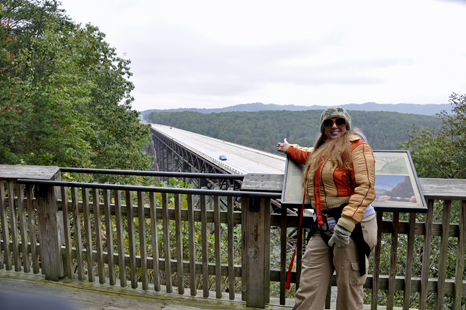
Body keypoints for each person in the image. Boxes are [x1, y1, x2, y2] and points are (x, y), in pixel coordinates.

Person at [277, 106, 377, 310]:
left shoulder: (358, 147)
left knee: (349, 292)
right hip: (322, 228)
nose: (334, 126)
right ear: (323, 127)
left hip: (352, 227)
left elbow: (366, 188)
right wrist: (288, 148)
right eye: (328, 122)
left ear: (346, 125)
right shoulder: (322, 150)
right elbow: (308, 156)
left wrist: (346, 224)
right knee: (308, 289)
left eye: (339, 122)